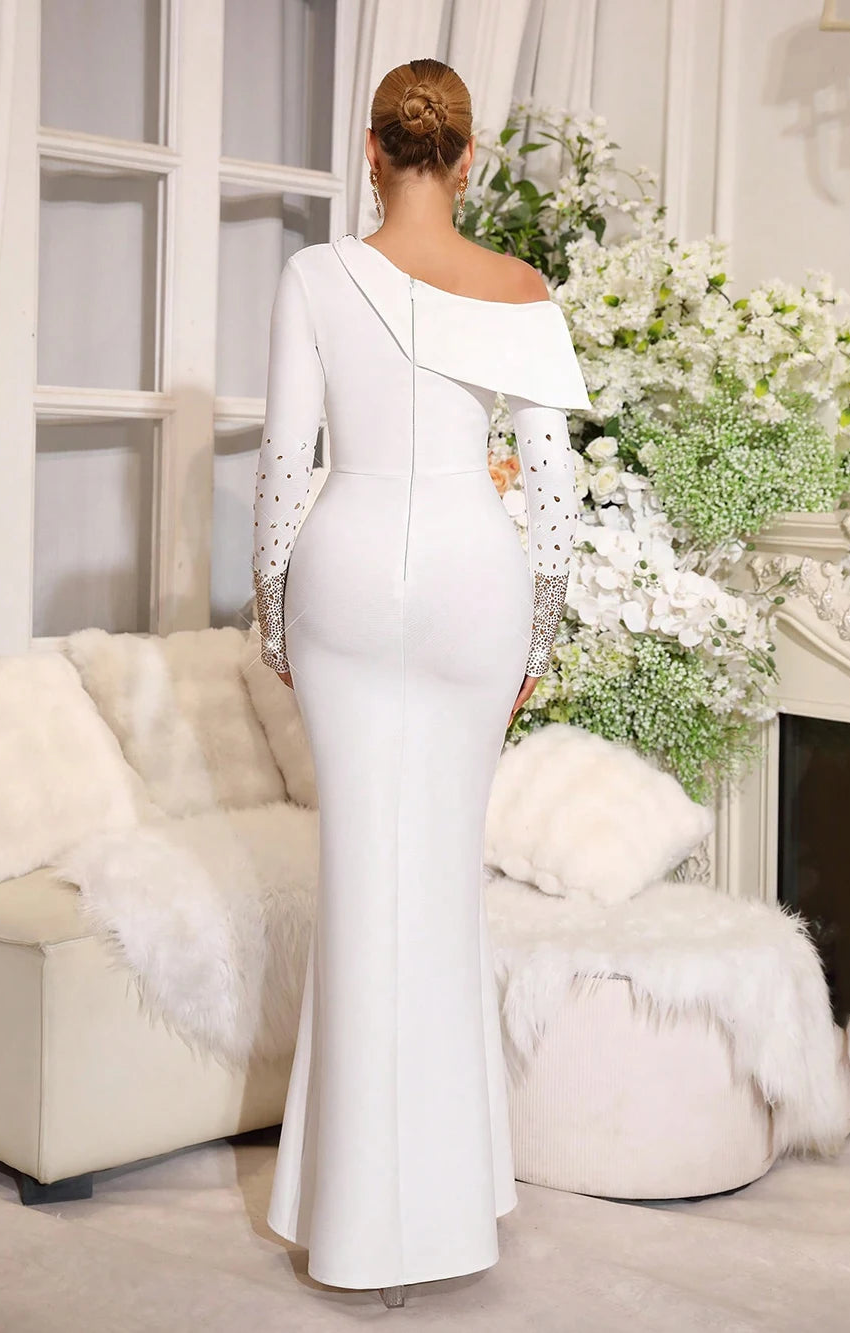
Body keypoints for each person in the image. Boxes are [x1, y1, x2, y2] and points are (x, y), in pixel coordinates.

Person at [252, 57, 591, 1307]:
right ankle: (449, 1210)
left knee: (362, 883)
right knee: (440, 888)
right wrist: (537, 641)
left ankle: (347, 1220)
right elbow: (551, 491)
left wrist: (274, 613)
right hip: (471, 581)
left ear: (370, 149)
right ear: (467, 157)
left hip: (344, 571)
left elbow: (285, 461)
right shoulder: (520, 289)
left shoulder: (314, 275)